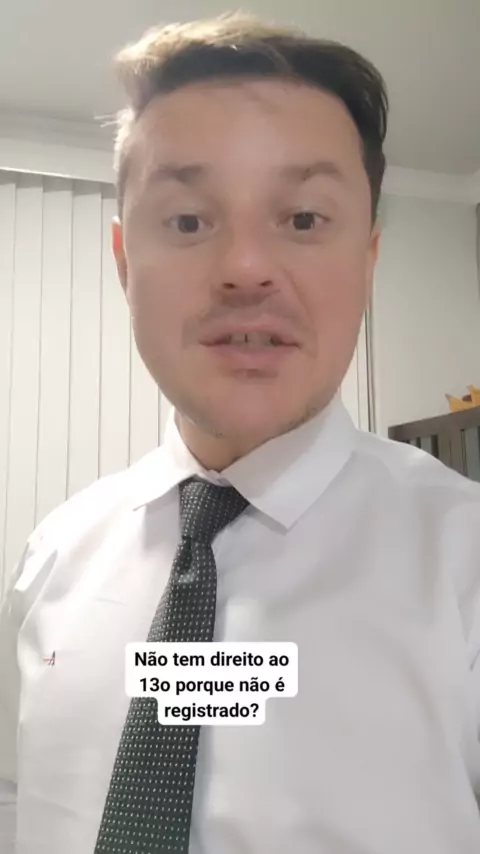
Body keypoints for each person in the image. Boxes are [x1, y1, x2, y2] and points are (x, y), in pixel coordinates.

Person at [1, 11, 480, 854]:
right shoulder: (54, 556)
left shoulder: (465, 561)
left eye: (304, 219)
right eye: (189, 221)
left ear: (368, 260)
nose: (246, 268)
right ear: (124, 262)